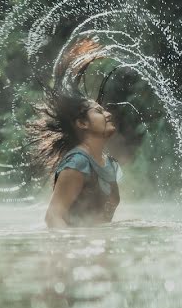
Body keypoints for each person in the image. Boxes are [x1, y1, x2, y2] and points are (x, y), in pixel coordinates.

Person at [27, 39, 122, 227]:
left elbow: (100, 221)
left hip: (98, 249)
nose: (108, 114)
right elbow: (53, 218)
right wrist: (73, 250)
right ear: (82, 123)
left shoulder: (108, 163)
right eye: (99, 112)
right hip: (79, 250)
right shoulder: (78, 163)